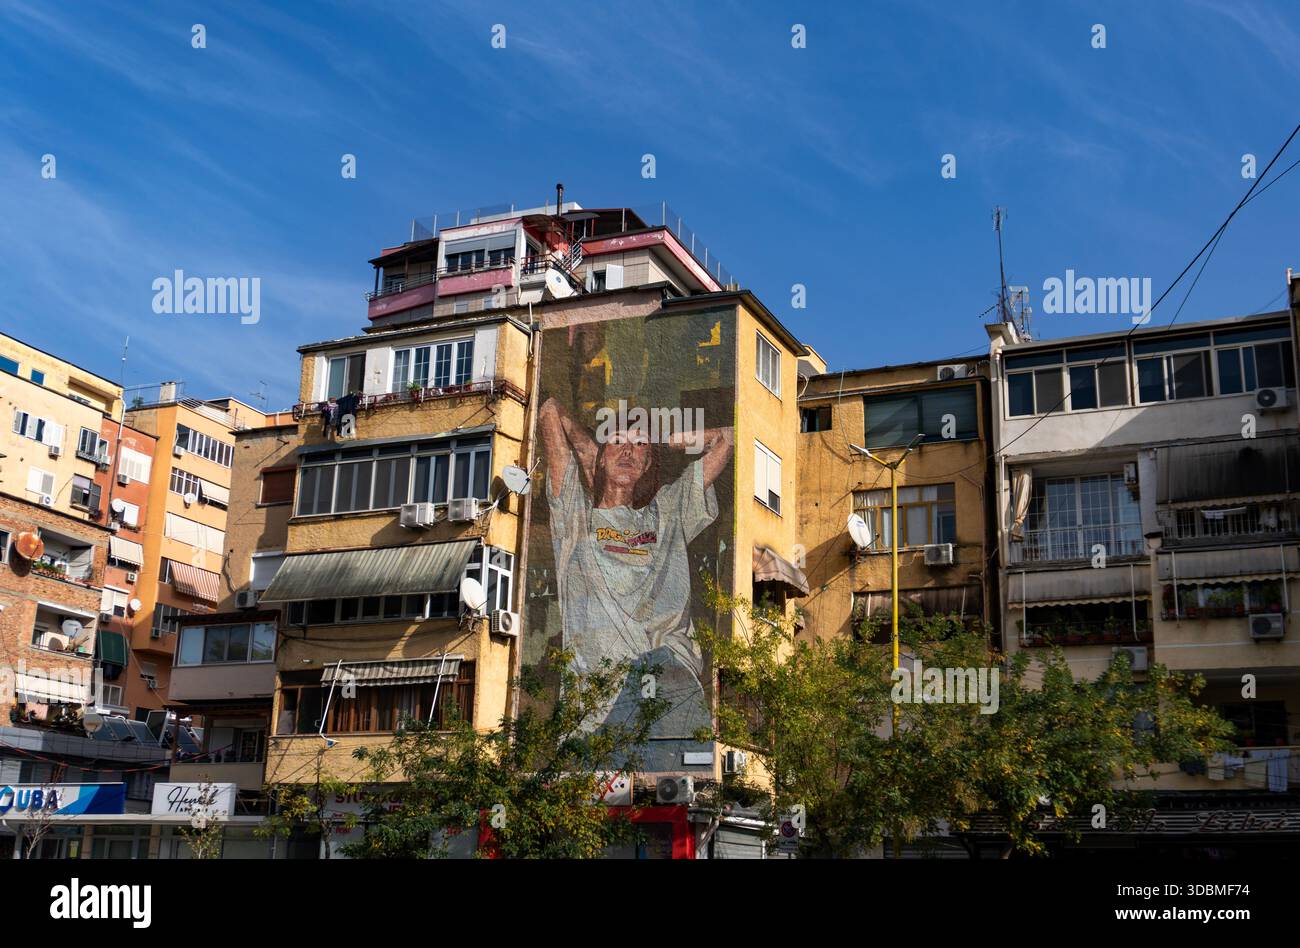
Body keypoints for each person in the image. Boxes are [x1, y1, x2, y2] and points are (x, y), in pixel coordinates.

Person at [537, 395, 732, 739]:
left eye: (639, 445)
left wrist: (675, 441)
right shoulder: (575, 519)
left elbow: (727, 439)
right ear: (600, 458)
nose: (627, 450)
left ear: (646, 465)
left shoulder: (667, 512)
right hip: (594, 711)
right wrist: (587, 448)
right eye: (617, 442)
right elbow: (550, 409)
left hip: (665, 691)